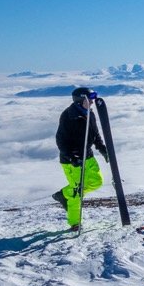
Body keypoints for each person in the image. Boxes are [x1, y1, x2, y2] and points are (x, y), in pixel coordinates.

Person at [54, 87, 108, 230]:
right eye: (89, 99)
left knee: (96, 182)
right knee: (77, 191)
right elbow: (60, 140)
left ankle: (64, 194)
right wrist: (71, 157)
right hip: (72, 160)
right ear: (80, 100)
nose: (91, 102)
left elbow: (95, 134)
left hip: (87, 155)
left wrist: (102, 149)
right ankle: (74, 222)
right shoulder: (68, 116)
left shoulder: (90, 113)